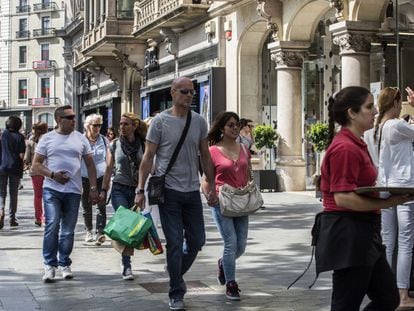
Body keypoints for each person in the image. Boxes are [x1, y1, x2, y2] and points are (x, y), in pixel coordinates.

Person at [316, 86, 414, 311]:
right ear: (352, 113)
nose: (375, 111)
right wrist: (389, 202)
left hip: (363, 233)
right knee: (346, 303)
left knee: (388, 298)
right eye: (369, 107)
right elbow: (343, 198)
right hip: (349, 233)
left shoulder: (357, 142)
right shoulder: (345, 147)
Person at [135, 76, 217, 311]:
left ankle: (175, 270)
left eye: (192, 92)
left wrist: (211, 185)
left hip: (191, 190)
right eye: (184, 91)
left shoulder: (199, 121)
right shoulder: (160, 122)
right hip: (168, 191)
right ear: (172, 93)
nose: (189, 95)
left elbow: (205, 155)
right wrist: (140, 189)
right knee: (174, 242)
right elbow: (148, 157)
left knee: (197, 240)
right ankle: (176, 292)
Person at [32, 105, 98, 283]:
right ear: (59, 120)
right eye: (69, 117)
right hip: (52, 189)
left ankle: (64, 264)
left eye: (74, 117)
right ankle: (49, 265)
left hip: (74, 191)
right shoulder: (47, 139)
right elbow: (35, 165)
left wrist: (93, 188)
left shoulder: (81, 139)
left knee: (68, 231)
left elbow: (90, 165)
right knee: (52, 225)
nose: (73, 120)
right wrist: (53, 175)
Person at [364, 86, 414, 310]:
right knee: (405, 243)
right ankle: (402, 295)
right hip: (403, 187)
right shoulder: (397, 125)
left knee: (387, 242)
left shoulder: (372, 131)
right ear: (395, 103)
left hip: (383, 186)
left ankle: (387, 290)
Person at [203, 111, 251, 300]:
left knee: (241, 246)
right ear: (222, 128)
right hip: (221, 201)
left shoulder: (244, 148)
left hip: (241, 200)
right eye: (230, 125)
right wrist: (209, 195)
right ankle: (231, 284)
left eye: (237, 124)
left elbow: (247, 173)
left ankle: (223, 263)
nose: (235, 128)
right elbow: (206, 178)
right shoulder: (213, 150)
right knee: (230, 243)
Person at [100, 112, 146, 280]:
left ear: (134, 126)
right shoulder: (114, 145)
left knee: (132, 227)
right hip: (119, 188)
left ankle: (125, 260)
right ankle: (127, 265)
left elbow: (147, 167)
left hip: (136, 190)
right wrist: (104, 190)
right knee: (125, 224)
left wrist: (142, 190)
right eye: (120, 124)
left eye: (126, 124)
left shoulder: (143, 145)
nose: (122, 127)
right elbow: (108, 169)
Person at [81, 114, 109, 245]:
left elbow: (108, 158)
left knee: (101, 204)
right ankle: (88, 230)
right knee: (86, 205)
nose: (98, 128)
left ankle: (100, 232)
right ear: (88, 126)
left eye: (99, 125)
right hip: (84, 177)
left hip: (101, 176)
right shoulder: (81, 140)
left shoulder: (104, 140)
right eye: (95, 125)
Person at [0, 116, 26, 228]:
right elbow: (21, 155)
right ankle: (12, 218)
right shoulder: (20, 137)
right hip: (15, 167)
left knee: (1, 192)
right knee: (13, 193)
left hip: (2, 166)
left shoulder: (4, 135)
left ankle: (1, 211)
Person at [24, 121, 48, 226]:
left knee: (37, 196)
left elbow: (26, 158)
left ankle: (38, 218)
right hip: (48, 171)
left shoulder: (31, 141)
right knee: (48, 195)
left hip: (35, 171)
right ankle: (48, 217)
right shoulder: (49, 139)